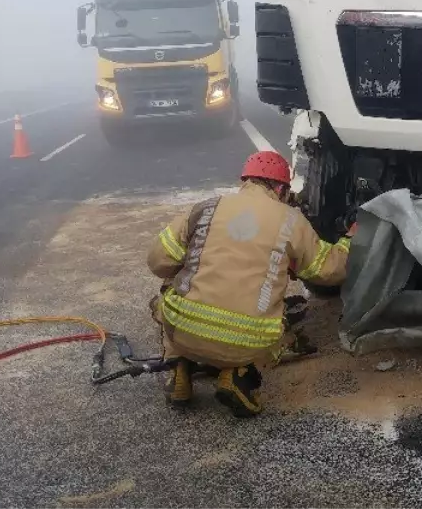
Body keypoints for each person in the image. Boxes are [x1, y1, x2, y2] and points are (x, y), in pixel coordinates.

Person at [146, 150, 354, 417]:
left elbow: (158, 261)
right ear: (281, 188)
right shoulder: (291, 220)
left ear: (245, 182)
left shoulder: (206, 207)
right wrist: (349, 241)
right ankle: (239, 374)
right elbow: (329, 271)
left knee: (166, 292)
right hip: (249, 343)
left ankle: (177, 365)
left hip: (184, 332)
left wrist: (194, 264)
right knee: (274, 328)